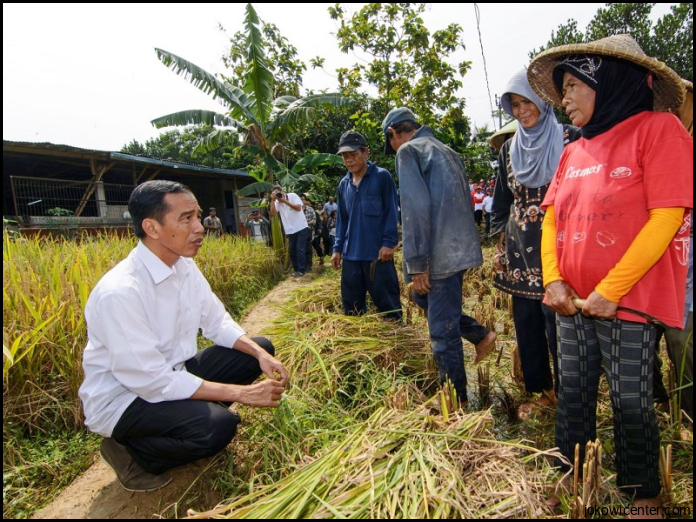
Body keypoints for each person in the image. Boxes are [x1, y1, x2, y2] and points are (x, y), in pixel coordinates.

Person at [528, 34, 692, 515]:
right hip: (572, 300)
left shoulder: (658, 130)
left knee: (630, 400)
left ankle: (644, 490)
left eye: (575, 84)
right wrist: (552, 279)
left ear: (610, 82)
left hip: (628, 301)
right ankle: (573, 473)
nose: (565, 98)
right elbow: (551, 218)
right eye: (562, 87)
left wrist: (610, 290)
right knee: (574, 394)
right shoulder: (574, 149)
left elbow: (666, 217)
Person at [78, 180, 289, 493]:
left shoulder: (184, 267)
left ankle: (186, 418)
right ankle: (130, 452)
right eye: (186, 218)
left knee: (257, 348)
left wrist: (262, 356)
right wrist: (240, 394)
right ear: (152, 227)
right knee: (217, 429)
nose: (200, 227)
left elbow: (217, 321)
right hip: (127, 398)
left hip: (174, 372)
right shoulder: (121, 292)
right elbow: (152, 381)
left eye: (198, 216)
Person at [382, 107, 496, 405]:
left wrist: (418, 264)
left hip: (440, 254)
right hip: (461, 249)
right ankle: (480, 334)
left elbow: (415, 211)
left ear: (393, 133)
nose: (393, 147)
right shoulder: (447, 150)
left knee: (442, 334)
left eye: (390, 141)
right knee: (425, 301)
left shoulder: (408, 151)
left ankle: (455, 402)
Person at [490, 68, 581, 416]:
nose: (521, 110)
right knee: (527, 322)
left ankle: (570, 391)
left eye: (526, 101)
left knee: (559, 320)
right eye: (513, 104)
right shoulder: (509, 149)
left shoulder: (571, 138)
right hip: (520, 248)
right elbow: (501, 202)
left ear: (543, 100)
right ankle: (541, 390)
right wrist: (500, 243)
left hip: (561, 244)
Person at [331, 130, 402, 321]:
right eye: (345, 156)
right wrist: (337, 249)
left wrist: (389, 243)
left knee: (388, 307)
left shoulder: (381, 177)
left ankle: (397, 341)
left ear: (366, 152)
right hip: (351, 257)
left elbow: (391, 212)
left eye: (353, 154)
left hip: (377, 257)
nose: (349, 160)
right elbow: (342, 220)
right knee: (352, 310)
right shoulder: (343, 184)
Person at [269, 185, 310, 277]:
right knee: (292, 250)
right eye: (276, 194)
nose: (279, 195)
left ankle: (301, 270)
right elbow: (273, 213)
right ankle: (296, 270)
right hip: (290, 229)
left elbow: (298, 208)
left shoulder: (292, 196)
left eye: (279, 193)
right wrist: (272, 200)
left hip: (301, 227)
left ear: (283, 191)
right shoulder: (276, 202)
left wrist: (284, 201)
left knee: (300, 248)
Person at [300, 193, 317, 272]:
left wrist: (305, 223)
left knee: (308, 250)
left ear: (305, 200)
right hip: (299, 233)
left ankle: (309, 267)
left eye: (303, 199)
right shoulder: (296, 210)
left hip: (309, 232)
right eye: (300, 199)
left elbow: (314, 220)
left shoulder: (310, 209)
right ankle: (302, 267)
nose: (301, 200)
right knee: (301, 250)